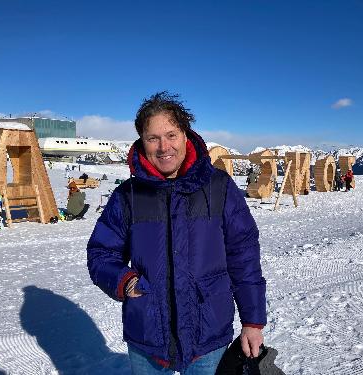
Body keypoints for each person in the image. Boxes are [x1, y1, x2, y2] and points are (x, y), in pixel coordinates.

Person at [86, 92, 266, 374]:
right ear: (141, 142)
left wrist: (252, 322)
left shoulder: (218, 187)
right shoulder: (128, 195)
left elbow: (243, 255)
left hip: (208, 337)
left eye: (171, 134)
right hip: (148, 338)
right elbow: (100, 253)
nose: (163, 146)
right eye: (153, 138)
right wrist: (125, 280)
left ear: (185, 135)